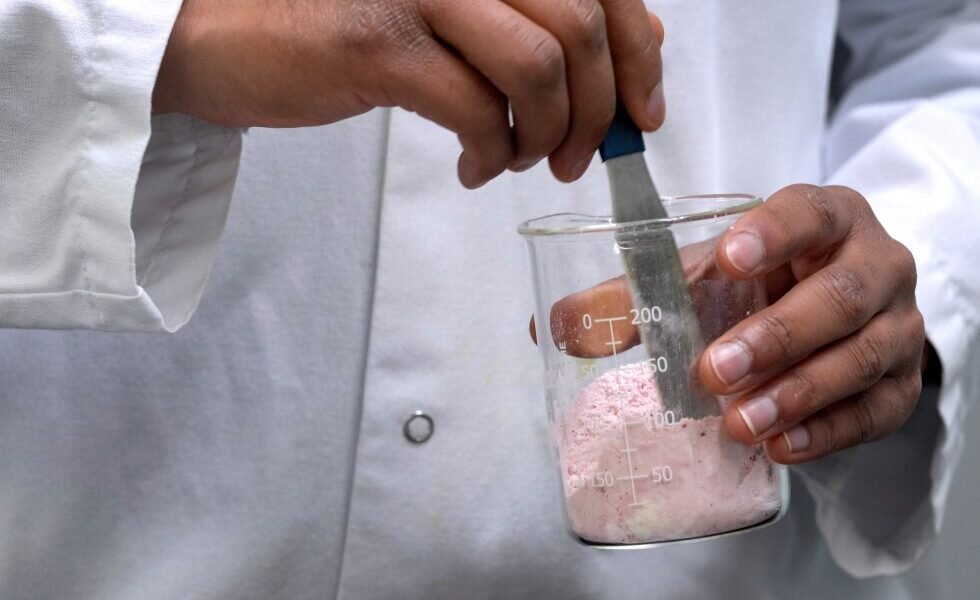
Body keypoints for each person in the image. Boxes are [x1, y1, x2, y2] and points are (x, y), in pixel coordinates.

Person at [0, 0, 977, 598]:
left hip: (710, 563)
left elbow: (946, 38)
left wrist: (900, 264)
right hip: (102, 543)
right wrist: (162, 39)